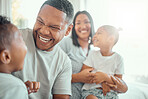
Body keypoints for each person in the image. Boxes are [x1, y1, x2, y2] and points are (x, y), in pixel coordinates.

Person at [13, 0, 74, 99]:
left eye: (54, 27)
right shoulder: (14, 38)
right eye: (40, 22)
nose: (44, 31)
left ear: (68, 30)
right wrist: (18, 88)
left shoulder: (64, 62)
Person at [81, 25, 128, 99]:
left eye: (99, 33)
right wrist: (102, 81)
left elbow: (119, 83)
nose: (95, 36)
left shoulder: (118, 58)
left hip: (111, 94)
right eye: (95, 33)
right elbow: (84, 74)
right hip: (92, 92)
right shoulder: (93, 54)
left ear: (111, 39)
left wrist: (106, 78)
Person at [59, 10, 95, 99]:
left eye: (86, 22)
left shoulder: (94, 50)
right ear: (73, 27)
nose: (82, 26)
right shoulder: (66, 43)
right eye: (78, 23)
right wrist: (77, 77)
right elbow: (52, 73)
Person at [0, 15, 28, 99]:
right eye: (22, 40)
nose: (26, 46)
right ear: (6, 56)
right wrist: (19, 90)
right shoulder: (15, 87)